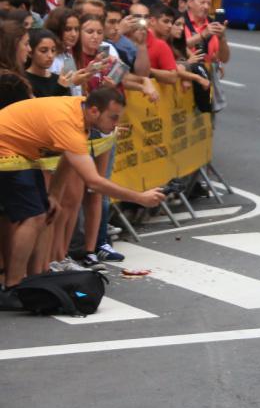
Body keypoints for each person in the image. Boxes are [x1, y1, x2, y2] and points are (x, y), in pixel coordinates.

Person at [0, 89, 165, 292]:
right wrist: (140, 198)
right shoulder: (68, 123)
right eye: (113, 117)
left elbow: (68, 158)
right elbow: (94, 182)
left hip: (21, 151)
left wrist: (53, 194)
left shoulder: (81, 112)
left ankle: (37, 279)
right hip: (7, 150)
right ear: (95, 111)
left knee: (45, 213)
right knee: (34, 216)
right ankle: (13, 286)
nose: (116, 124)